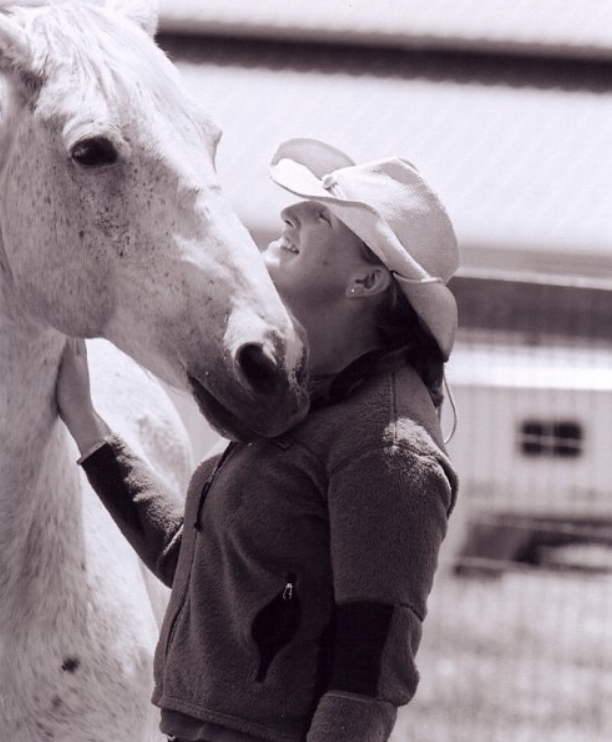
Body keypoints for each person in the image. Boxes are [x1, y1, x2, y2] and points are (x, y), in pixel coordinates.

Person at [56, 138, 460, 742]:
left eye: (326, 215)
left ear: (367, 279)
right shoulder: (312, 403)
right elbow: (200, 565)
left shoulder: (388, 445)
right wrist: (87, 425)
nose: (292, 214)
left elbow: (368, 676)